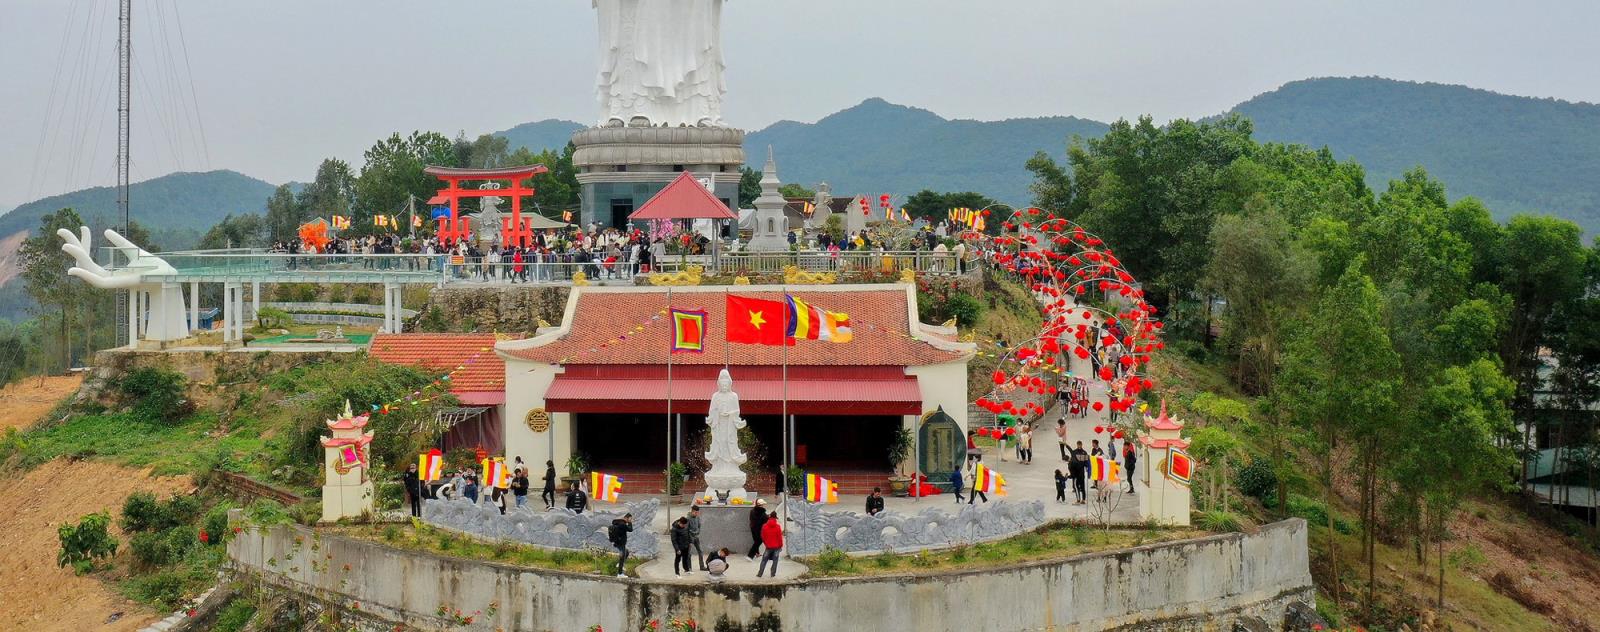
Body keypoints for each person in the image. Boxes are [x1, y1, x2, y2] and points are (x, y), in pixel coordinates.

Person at [608, 513, 634, 578]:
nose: (631, 520)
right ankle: (620, 574)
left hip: (617, 542)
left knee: (626, 552)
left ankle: (619, 564)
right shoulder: (622, 524)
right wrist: (630, 522)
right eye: (630, 518)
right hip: (620, 543)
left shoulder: (618, 522)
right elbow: (630, 529)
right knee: (622, 557)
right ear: (626, 518)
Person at [687, 506, 706, 571]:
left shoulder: (697, 517)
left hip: (696, 537)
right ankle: (689, 568)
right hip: (690, 538)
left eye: (698, 512)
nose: (697, 514)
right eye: (695, 512)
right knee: (689, 554)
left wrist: (698, 532)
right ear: (692, 511)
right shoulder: (688, 519)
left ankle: (702, 566)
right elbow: (686, 529)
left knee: (700, 551)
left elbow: (699, 526)